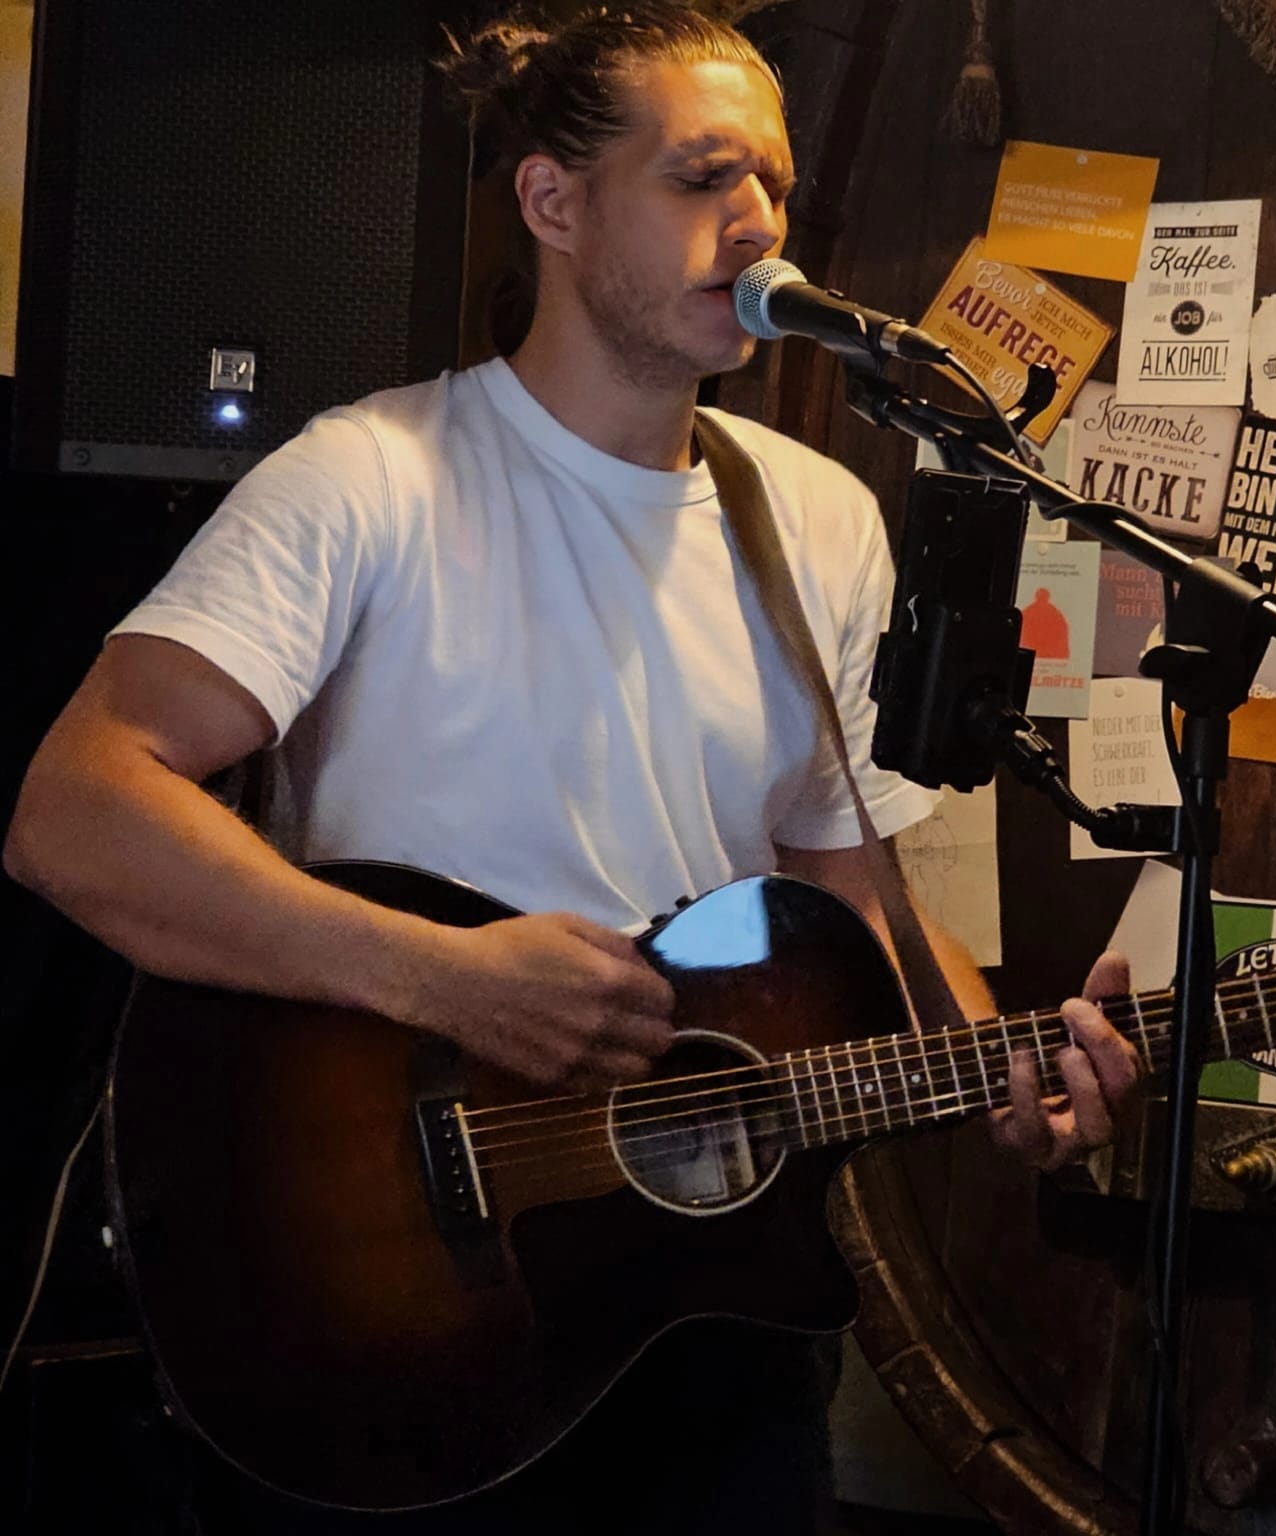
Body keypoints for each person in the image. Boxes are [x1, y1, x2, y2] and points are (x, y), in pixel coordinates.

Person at [5, 5, 1138, 1530]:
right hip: (405, 1278)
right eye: (701, 178)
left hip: (707, 1300)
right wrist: (442, 979)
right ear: (554, 202)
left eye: (777, 188)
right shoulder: (368, 479)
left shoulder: (814, 522)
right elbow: (77, 808)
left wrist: (997, 1055)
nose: (758, 226)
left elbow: (842, 882)